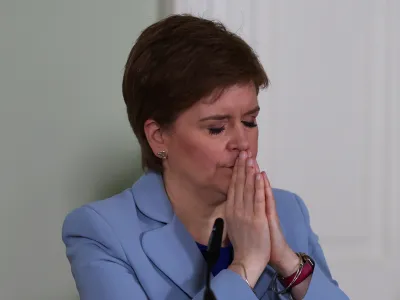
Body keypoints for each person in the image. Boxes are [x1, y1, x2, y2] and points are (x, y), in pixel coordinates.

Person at [62, 14, 349, 300]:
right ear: (158, 136)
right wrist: (246, 265)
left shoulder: (288, 211)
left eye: (250, 122)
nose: (242, 143)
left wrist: (289, 263)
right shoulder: (101, 232)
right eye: (216, 128)